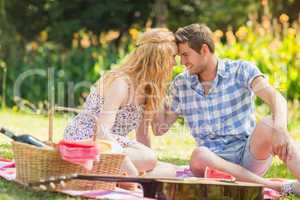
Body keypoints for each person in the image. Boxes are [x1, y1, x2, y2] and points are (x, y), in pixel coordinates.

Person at [152, 23, 300, 195]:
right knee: (199, 155)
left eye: (186, 55)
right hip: (211, 164)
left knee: (269, 124)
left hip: (248, 156)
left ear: (204, 50)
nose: (182, 62)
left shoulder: (241, 70)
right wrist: (157, 83)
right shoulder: (181, 83)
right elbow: (159, 129)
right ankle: (278, 186)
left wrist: (280, 128)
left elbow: (276, 98)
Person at [64, 28, 177, 177]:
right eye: (173, 57)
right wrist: (133, 165)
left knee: (169, 169)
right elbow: (102, 131)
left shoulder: (149, 89)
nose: (175, 63)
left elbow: (142, 135)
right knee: (149, 159)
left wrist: (149, 163)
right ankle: (122, 175)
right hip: (88, 141)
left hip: (112, 146)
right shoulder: (121, 83)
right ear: (158, 60)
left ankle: (119, 176)